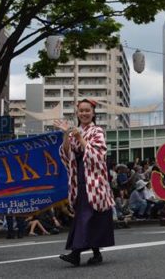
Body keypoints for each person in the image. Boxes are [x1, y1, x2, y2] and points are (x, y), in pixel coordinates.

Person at [54, 99, 115, 267]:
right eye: (81, 111)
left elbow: (98, 155)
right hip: (79, 178)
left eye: (87, 110)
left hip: (94, 180)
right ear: (77, 113)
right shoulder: (76, 131)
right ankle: (96, 253)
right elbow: (67, 154)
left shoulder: (97, 131)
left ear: (93, 113)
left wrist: (80, 138)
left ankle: (75, 253)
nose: (84, 113)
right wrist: (67, 134)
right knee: (88, 215)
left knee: (86, 214)